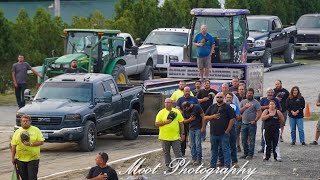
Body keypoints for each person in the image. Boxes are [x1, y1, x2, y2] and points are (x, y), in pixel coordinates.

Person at [205, 92, 235, 168]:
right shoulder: (212, 107)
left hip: (224, 133)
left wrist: (228, 130)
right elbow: (205, 117)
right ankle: (212, 165)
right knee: (214, 150)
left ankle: (227, 166)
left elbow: (232, 119)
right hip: (213, 133)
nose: (219, 98)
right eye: (217, 97)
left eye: (221, 97)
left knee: (226, 150)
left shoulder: (228, 107)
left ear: (223, 98)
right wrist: (213, 116)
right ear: (215, 98)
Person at [11, 115, 45, 180]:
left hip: (33, 158)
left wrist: (30, 144)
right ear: (21, 122)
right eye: (23, 121)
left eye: (27, 121)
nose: (25, 122)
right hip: (20, 159)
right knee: (24, 178)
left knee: (32, 178)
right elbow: (13, 145)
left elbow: (41, 142)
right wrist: (12, 157)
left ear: (30, 122)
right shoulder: (17, 131)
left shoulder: (36, 130)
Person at [155, 98, 185, 172]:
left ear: (172, 103)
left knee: (178, 152)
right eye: (166, 102)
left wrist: (182, 133)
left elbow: (181, 123)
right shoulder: (161, 112)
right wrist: (166, 122)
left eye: (169, 102)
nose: (167, 104)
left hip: (175, 137)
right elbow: (156, 124)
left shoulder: (177, 111)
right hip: (164, 137)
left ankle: (181, 166)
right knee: (166, 153)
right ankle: (169, 166)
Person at [217, 93, 241, 168]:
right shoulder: (220, 106)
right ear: (225, 98)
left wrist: (234, 114)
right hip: (222, 126)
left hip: (232, 126)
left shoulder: (235, 106)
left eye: (230, 97)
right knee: (221, 145)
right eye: (227, 97)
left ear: (232, 98)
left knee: (232, 144)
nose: (229, 99)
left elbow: (238, 117)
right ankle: (221, 160)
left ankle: (234, 161)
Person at [176, 87, 199, 156]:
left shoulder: (194, 99)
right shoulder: (180, 99)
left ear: (190, 92)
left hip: (193, 121)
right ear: (183, 92)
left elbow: (197, 107)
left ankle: (194, 153)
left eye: (188, 91)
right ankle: (182, 152)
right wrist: (183, 112)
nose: (187, 93)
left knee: (193, 139)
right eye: (185, 91)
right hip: (183, 121)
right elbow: (177, 108)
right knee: (183, 137)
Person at [239, 88, 262, 160]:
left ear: (253, 94)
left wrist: (255, 120)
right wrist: (245, 107)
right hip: (243, 123)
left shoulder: (256, 102)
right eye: (248, 93)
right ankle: (245, 153)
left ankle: (250, 154)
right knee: (243, 139)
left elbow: (259, 112)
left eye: (251, 93)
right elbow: (239, 111)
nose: (249, 94)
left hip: (252, 124)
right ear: (246, 94)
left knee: (252, 139)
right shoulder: (243, 101)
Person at [258, 88, 281, 153]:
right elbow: (260, 107)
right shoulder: (263, 99)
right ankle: (263, 147)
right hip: (265, 119)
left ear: (273, 93)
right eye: (269, 92)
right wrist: (268, 107)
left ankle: (272, 148)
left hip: (274, 120)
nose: (270, 94)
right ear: (266, 93)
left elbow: (279, 108)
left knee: (273, 134)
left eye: (271, 92)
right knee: (264, 133)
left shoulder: (276, 100)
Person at [236, 84, 246, 152]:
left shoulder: (247, 97)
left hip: (245, 117)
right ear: (238, 90)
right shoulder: (235, 98)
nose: (241, 91)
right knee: (237, 133)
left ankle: (246, 146)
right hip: (237, 117)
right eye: (240, 89)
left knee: (245, 134)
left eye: (242, 89)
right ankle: (238, 145)